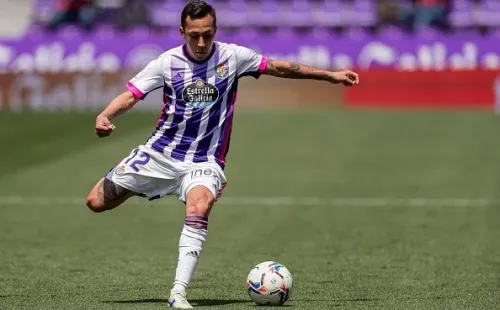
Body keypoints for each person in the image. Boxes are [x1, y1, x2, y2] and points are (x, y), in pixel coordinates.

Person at [85, 0, 359, 308]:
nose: (201, 42)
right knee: (96, 202)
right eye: (194, 35)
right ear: (182, 32)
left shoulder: (233, 56)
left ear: (215, 30)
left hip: (205, 161)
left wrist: (329, 75)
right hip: (160, 155)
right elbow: (131, 94)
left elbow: (279, 67)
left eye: (207, 34)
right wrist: (106, 114)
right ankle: (144, 187)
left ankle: (178, 293)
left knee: (199, 206)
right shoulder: (167, 62)